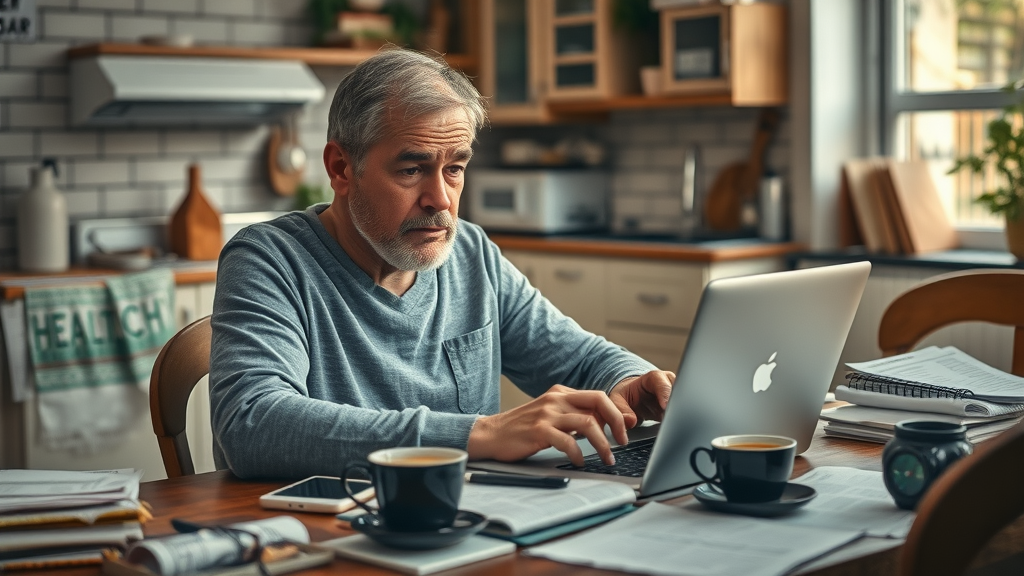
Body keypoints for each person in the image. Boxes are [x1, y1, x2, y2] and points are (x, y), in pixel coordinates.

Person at [209, 48, 675, 479]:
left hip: (471, 519)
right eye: (412, 170)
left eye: (454, 168)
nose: (441, 201)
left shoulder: (469, 253)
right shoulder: (270, 260)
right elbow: (253, 421)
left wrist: (631, 380)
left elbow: (579, 356)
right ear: (341, 169)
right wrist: (480, 435)